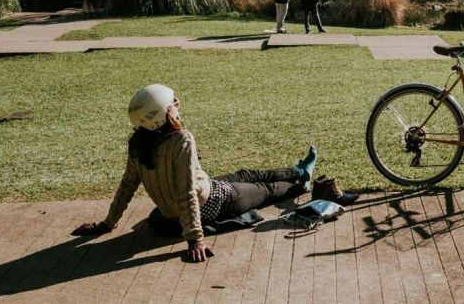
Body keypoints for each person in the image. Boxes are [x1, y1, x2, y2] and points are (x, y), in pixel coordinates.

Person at [72, 84, 357, 263]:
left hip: (199, 189)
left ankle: (296, 169)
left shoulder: (138, 143)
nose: (177, 106)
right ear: (161, 115)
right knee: (264, 191)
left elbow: (126, 187)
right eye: (173, 104)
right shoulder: (181, 140)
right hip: (211, 201)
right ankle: (302, 182)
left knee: (247, 173)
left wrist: (107, 224)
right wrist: (195, 238)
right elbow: (185, 192)